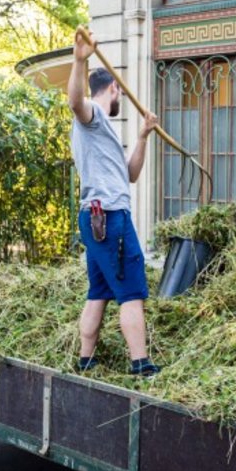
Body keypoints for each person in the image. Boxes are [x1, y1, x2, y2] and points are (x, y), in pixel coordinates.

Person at [67, 28, 161, 376]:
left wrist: (143, 136)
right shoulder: (91, 116)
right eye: (119, 91)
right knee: (132, 291)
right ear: (114, 89)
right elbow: (75, 102)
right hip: (109, 217)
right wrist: (80, 61)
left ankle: (86, 358)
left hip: (97, 220)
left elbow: (131, 175)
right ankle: (141, 363)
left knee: (99, 291)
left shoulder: (105, 130)